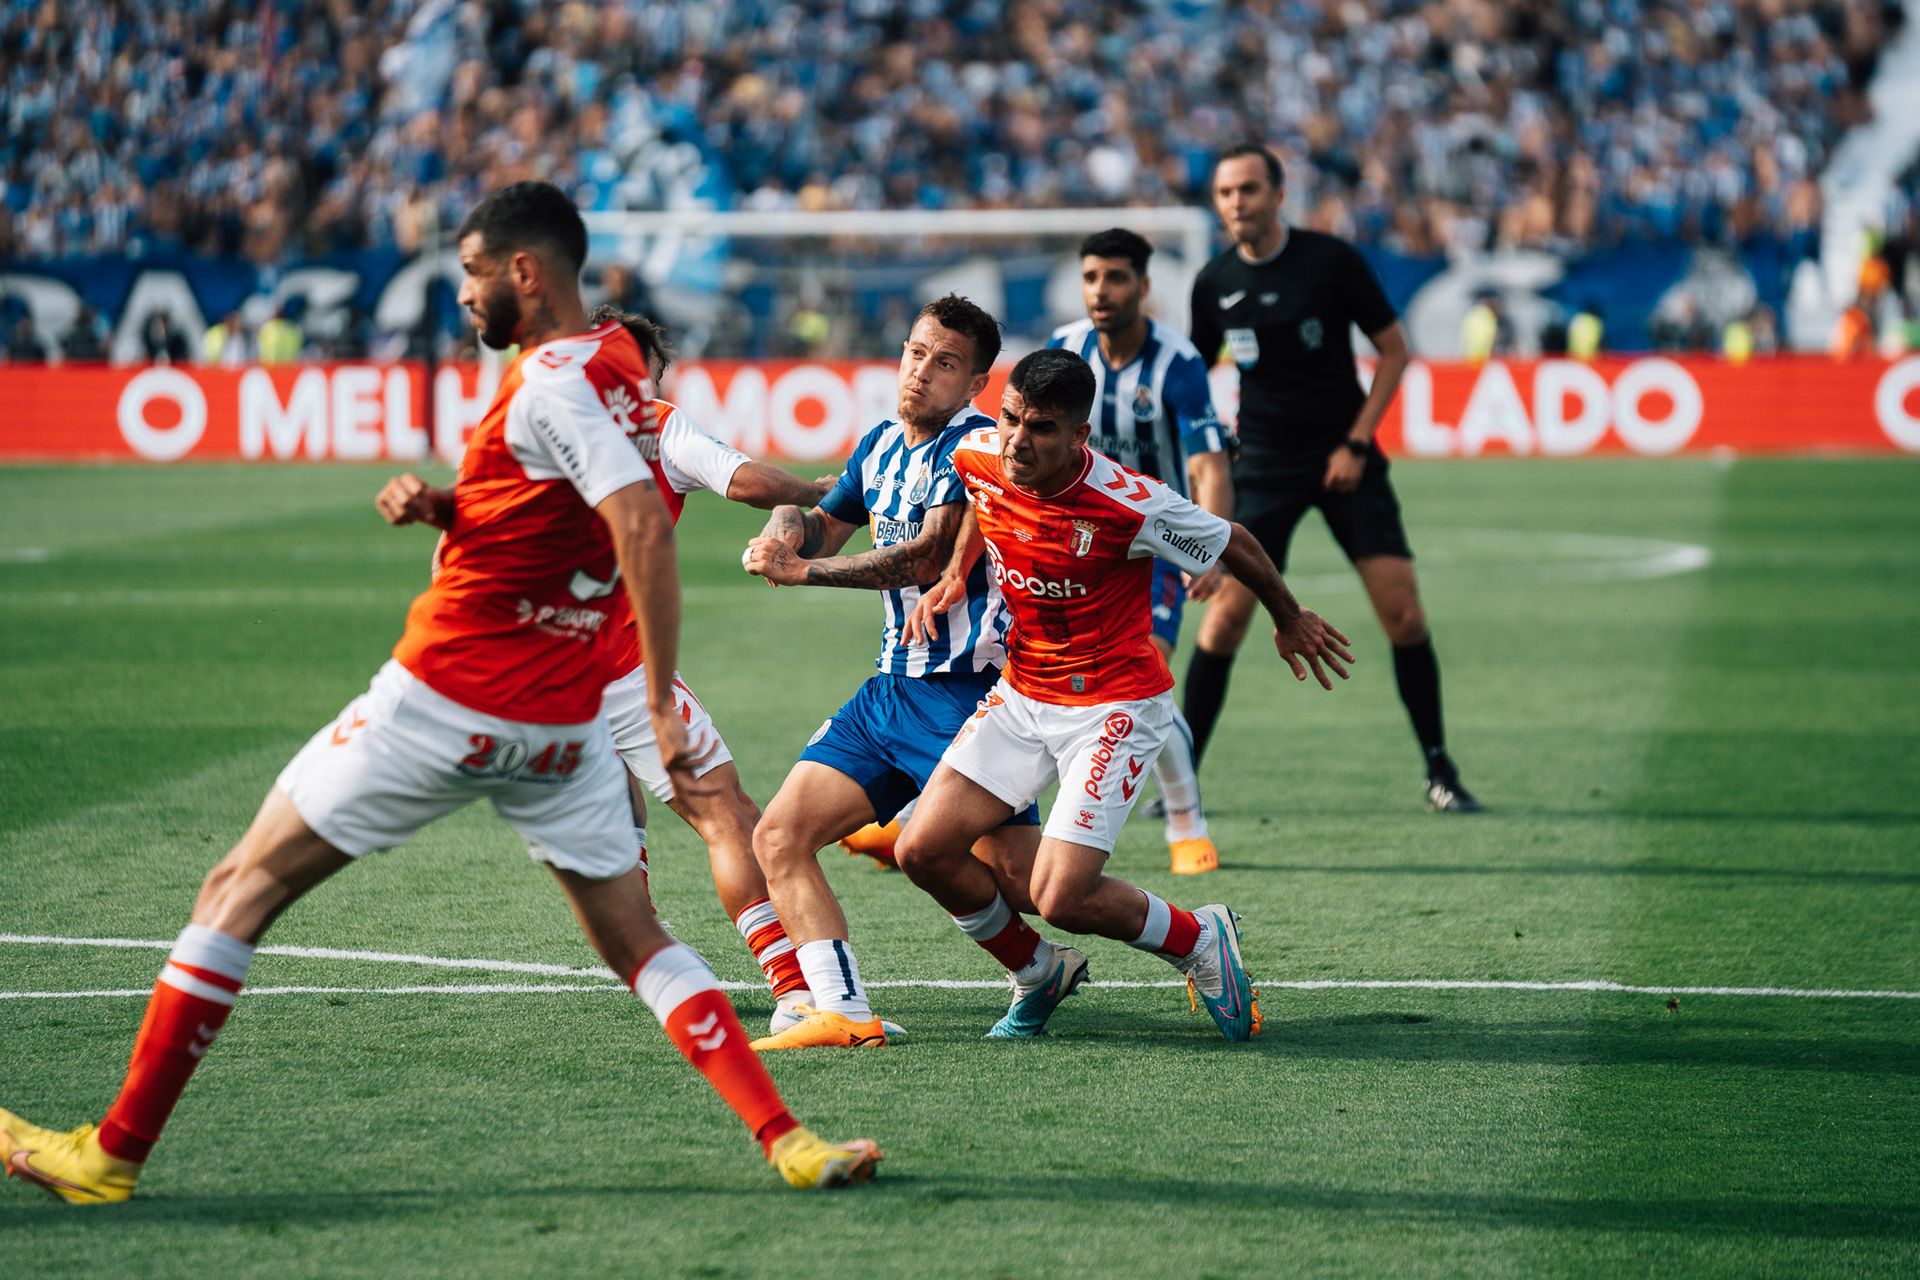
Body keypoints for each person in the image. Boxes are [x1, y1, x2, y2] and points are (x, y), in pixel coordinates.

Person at [0, 181, 879, 1205]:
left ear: (522, 271)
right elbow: (559, 502)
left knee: (237, 886)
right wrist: (448, 505)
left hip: (450, 693)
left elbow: (637, 521)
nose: (457, 293)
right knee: (640, 933)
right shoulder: (620, 367)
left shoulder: (550, 378)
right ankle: (788, 1139)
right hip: (556, 720)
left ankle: (110, 1152)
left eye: (467, 270)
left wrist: (654, 701)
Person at [375, 306, 837, 1034]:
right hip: (617, 665)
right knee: (725, 815)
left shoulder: (526, 422)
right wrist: (819, 493)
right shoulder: (655, 420)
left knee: (614, 816)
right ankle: (792, 989)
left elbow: (457, 547)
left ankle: (648, 958)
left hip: (529, 674)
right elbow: (745, 482)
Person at [892, 348, 1354, 1041]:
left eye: (1041, 428)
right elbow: (982, 508)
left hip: (1114, 705)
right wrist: (958, 572)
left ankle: (1199, 940)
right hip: (1023, 694)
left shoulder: (1126, 502)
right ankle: (1038, 970)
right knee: (920, 850)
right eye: (1013, 417)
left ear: (1080, 436)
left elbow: (1235, 541)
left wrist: (1288, 617)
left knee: (1059, 896)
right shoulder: (979, 454)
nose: (1019, 439)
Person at [739, 295, 1078, 1048]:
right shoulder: (879, 444)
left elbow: (926, 556)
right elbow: (823, 520)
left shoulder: (980, 449)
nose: (923, 372)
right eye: (917, 353)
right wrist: (779, 531)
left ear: (976, 382)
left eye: (946, 363)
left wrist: (806, 574)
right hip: (892, 688)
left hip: (970, 694)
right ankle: (845, 1011)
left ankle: (1189, 939)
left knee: (1038, 884)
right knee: (780, 836)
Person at [1184, 144, 1481, 813]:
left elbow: (1396, 351)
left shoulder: (1330, 261)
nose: (1237, 203)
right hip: (1263, 463)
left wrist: (1356, 440)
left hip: (1346, 461)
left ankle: (1440, 770)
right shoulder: (1213, 281)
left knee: (1403, 613)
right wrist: (1213, 453)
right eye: (1226, 193)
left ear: (1277, 194)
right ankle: (1183, 778)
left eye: (1249, 190)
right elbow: (1191, 379)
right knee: (1225, 620)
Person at [1047, 227, 1232, 875]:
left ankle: (1186, 824)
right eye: (1092, 277)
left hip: (1150, 548)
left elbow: (1209, 462)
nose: (1102, 290)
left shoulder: (1177, 363)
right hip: (1069, 546)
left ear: (1144, 287)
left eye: (1117, 277)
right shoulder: (1064, 351)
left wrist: (1206, 545)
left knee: (1144, 676)